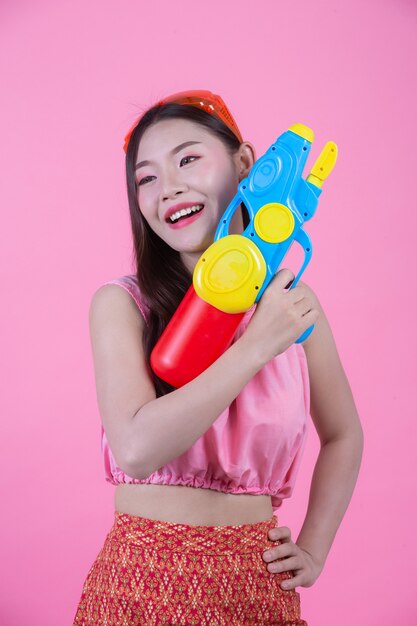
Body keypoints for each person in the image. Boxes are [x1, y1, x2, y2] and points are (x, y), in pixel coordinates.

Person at [73, 90, 363, 626]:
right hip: (141, 585)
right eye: (146, 178)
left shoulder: (293, 304)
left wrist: (314, 548)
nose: (170, 188)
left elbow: (345, 434)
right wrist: (255, 347)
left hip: (257, 588)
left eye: (187, 159)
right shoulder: (123, 304)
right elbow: (136, 449)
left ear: (248, 165)